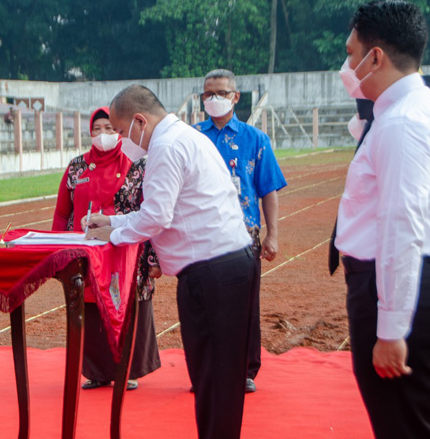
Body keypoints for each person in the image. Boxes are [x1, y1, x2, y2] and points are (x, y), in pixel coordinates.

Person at [335, 0, 430, 438]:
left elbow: (402, 226)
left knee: (407, 425)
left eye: (352, 53)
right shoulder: (422, 111)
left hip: (401, 288)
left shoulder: (403, 123)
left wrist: (393, 327)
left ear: (376, 57)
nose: (347, 65)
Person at [85, 85, 256, 438]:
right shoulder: (186, 137)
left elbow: (156, 217)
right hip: (223, 267)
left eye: (119, 131)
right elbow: (164, 210)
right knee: (214, 376)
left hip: (213, 273)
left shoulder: (165, 146)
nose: (119, 139)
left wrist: (113, 235)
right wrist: (114, 222)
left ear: (138, 121)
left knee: (215, 376)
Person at [52, 106, 161, 391]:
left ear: (119, 131)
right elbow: (62, 213)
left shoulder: (136, 164)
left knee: (124, 305)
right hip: (85, 253)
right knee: (89, 307)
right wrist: (57, 250)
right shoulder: (77, 167)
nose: (103, 135)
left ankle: (128, 369)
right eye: (97, 129)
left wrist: (152, 256)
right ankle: (97, 371)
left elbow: (149, 212)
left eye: (109, 129)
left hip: (126, 251)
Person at [194, 69, 287, 393]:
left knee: (244, 305)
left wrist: (272, 234)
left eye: (221, 93)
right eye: (208, 94)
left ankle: (244, 370)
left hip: (243, 236)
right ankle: (205, 370)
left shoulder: (255, 139)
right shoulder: (193, 138)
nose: (214, 99)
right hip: (201, 236)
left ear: (236, 97)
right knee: (203, 306)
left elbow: (268, 189)